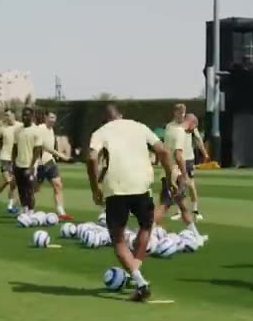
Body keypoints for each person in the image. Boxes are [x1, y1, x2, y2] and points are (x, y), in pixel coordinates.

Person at [85, 103, 175, 302]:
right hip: (142, 185)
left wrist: (94, 188)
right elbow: (164, 152)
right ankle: (135, 269)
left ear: (104, 119)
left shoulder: (101, 132)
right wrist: (170, 177)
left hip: (116, 189)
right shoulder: (139, 126)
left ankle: (140, 282)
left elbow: (91, 159)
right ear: (121, 115)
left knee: (118, 242)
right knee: (146, 226)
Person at [154, 116, 201, 237]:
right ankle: (145, 231)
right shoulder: (181, 133)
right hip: (175, 174)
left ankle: (196, 235)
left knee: (183, 206)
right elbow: (178, 155)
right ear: (192, 123)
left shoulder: (171, 130)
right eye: (195, 127)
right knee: (165, 205)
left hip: (170, 172)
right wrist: (184, 175)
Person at [31, 110, 72, 220]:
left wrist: (57, 155)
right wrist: (61, 155)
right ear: (45, 117)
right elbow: (45, 147)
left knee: (58, 185)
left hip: (50, 162)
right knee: (35, 189)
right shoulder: (41, 129)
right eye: (51, 117)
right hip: (40, 164)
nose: (53, 120)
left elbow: (51, 147)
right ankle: (27, 209)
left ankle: (61, 211)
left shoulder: (51, 130)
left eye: (54, 118)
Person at [0, 109, 22, 213]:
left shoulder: (20, 126)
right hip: (5, 157)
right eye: (6, 115)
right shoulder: (1, 128)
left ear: (14, 115)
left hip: (16, 158)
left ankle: (10, 206)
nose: (7, 117)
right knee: (8, 180)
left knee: (13, 183)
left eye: (9, 115)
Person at [10, 107, 39, 215]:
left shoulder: (36, 130)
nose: (24, 117)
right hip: (19, 164)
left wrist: (31, 167)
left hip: (29, 165)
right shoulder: (18, 130)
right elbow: (15, 147)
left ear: (32, 116)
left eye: (26, 115)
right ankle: (24, 209)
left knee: (29, 190)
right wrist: (13, 163)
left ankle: (31, 212)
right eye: (23, 115)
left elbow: (37, 150)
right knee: (21, 189)